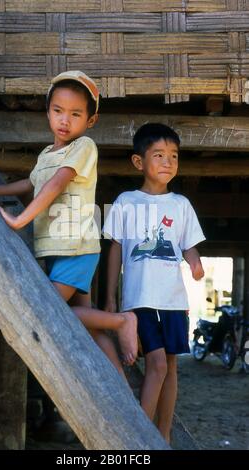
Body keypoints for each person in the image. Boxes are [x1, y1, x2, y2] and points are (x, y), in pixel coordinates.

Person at [0, 70, 137, 374]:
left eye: (75, 114)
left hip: (75, 247)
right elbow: (32, 183)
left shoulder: (83, 147)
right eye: (58, 111)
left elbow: (54, 185)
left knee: (49, 309)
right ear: (48, 112)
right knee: (89, 323)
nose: (65, 120)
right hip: (59, 250)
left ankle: (122, 320)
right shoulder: (45, 154)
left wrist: (19, 220)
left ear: (90, 121)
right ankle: (121, 389)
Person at [103, 122, 205, 442]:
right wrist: (110, 296)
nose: (167, 162)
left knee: (170, 366)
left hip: (173, 299)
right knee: (157, 364)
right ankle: (139, 435)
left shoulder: (181, 205)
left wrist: (195, 261)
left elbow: (188, 243)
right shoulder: (125, 201)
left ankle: (163, 436)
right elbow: (116, 248)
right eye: (158, 155)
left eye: (173, 156)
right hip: (139, 299)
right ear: (139, 162)